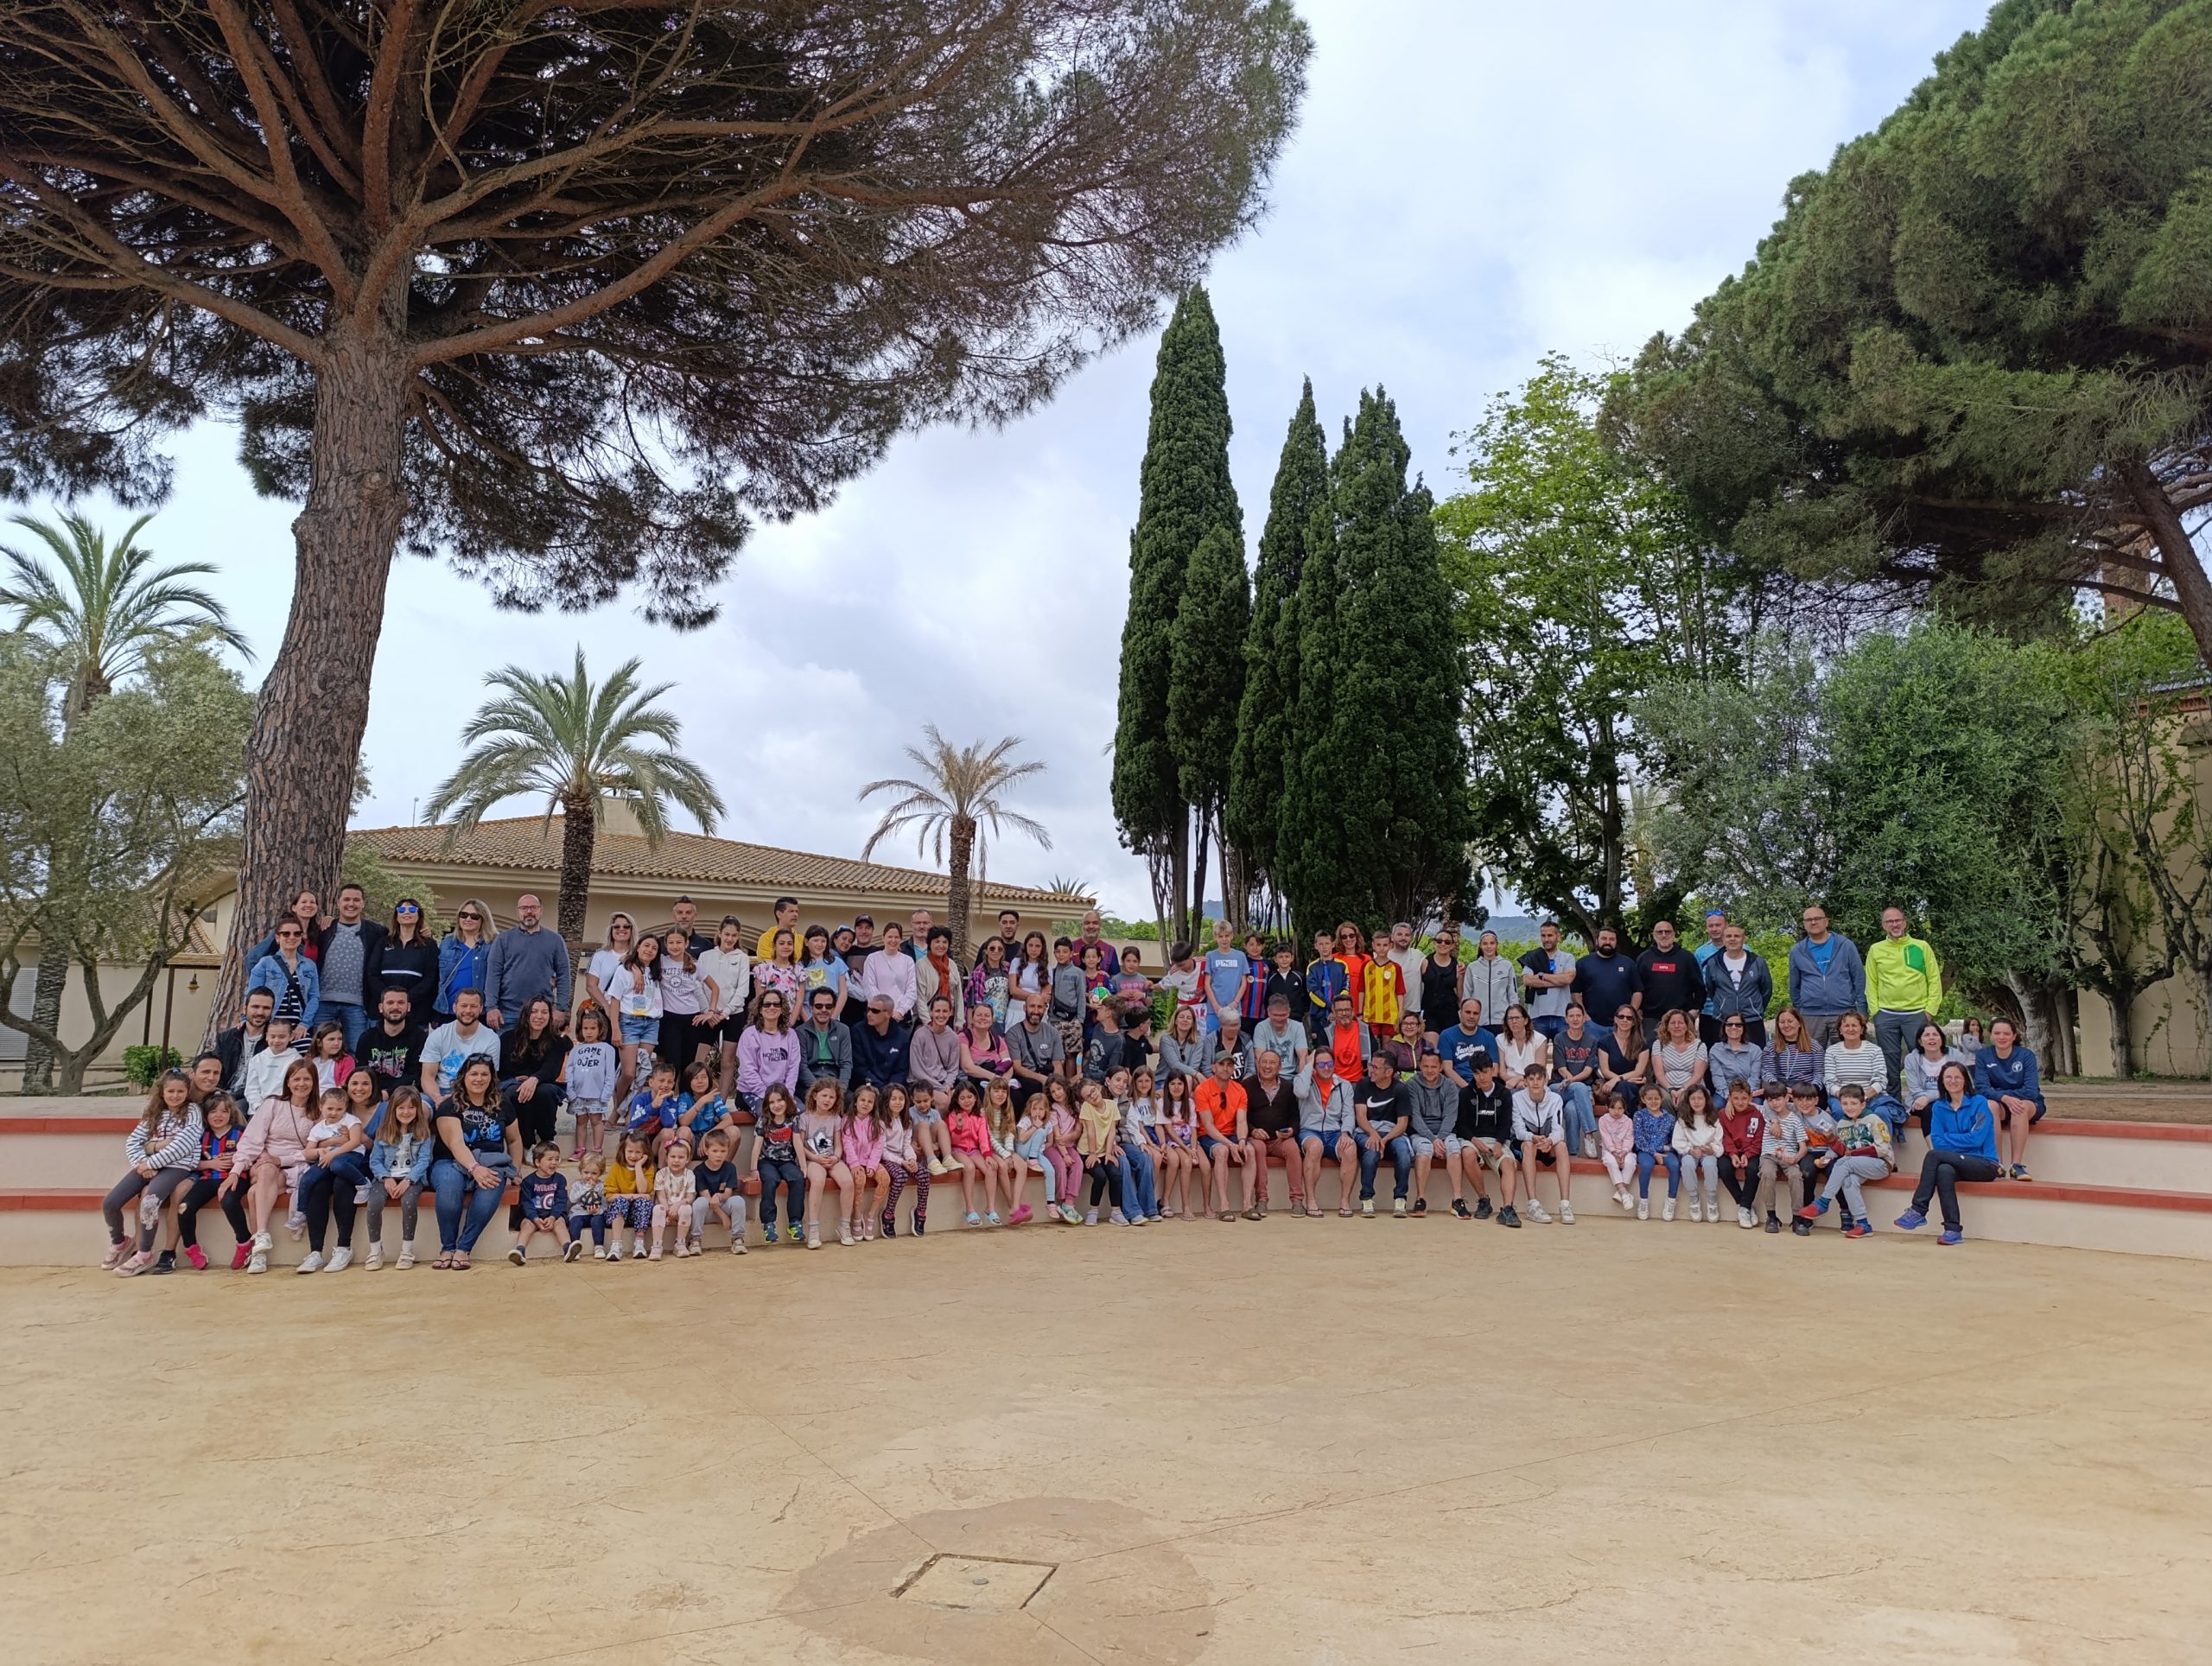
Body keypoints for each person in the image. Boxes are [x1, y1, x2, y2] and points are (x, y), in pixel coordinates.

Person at [101, 1071, 202, 1275]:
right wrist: (141, 1163)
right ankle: (119, 1242)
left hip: (178, 1166)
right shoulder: (155, 1112)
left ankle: (144, 1255)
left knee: (150, 1201)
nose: (175, 1096)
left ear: (187, 1092)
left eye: (180, 1091)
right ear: (162, 1092)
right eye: (171, 1091)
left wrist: (150, 1163)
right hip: (147, 1165)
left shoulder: (193, 1112)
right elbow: (134, 1141)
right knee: (110, 1202)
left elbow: (182, 1146)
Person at [429, 1055, 524, 1270]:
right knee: (449, 1185)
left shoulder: (503, 1104)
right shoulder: (450, 1105)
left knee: (491, 1185)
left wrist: (516, 1170)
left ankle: (464, 1248)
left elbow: (515, 1140)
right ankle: (447, 1248)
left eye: (484, 1074)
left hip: (492, 1162)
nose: (479, 1079)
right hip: (451, 1161)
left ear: (492, 1078)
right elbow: (455, 1143)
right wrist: (475, 1168)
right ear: (463, 1077)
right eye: (473, 1074)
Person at [228, 1057, 320, 1273]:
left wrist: (282, 1160)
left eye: (307, 1079)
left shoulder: (318, 1111)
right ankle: (262, 1234)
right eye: (296, 1079)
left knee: (254, 1194)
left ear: (314, 1082)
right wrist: (236, 1170)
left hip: (295, 1166)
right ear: (288, 1082)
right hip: (264, 1164)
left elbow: (315, 1151)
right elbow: (252, 1140)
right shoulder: (273, 1104)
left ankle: (258, 1253)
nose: (301, 1084)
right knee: (267, 1168)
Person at [1895, 1061, 1999, 1243]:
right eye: (1948, 1077)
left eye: (1958, 1077)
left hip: (1984, 1164)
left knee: (1933, 1155)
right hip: (1957, 1163)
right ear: (1942, 1081)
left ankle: (1918, 1209)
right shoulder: (1939, 1107)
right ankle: (1953, 1230)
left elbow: (1977, 1139)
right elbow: (1937, 1141)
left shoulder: (1979, 1103)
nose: (1953, 1081)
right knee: (1944, 1170)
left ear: (1965, 1080)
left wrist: (1949, 1139)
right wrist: (1961, 1141)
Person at [1796, 1082, 1892, 1237]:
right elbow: (1840, 1149)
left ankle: (1823, 1202)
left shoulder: (1874, 1119)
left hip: (1880, 1164)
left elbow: (1882, 1150)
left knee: (1843, 1162)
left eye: (1854, 1103)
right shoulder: (1842, 1124)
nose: (1849, 1107)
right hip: (1856, 1165)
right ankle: (1863, 1224)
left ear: (1863, 1104)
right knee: (1848, 1181)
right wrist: (1827, 1155)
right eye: (1845, 1104)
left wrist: (1852, 1154)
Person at [1866, 906, 1943, 1096]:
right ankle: (1893, 1106)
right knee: (1889, 1063)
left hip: (1917, 1014)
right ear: (1884, 925)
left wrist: (1929, 1011)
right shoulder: (1876, 949)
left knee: (1922, 1060)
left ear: (1905, 923)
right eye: (1890, 921)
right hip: (1886, 1015)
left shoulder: (1921, 946)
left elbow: (1934, 979)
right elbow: (1871, 982)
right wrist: (1876, 1011)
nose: (1895, 924)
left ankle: (1924, 1103)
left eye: (1898, 920)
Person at [291, 1085, 368, 1273]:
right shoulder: (319, 1127)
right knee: (313, 1183)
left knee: (341, 1183)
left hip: (349, 1161)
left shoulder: (351, 1121)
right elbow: (308, 1152)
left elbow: (355, 1141)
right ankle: (315, 1252)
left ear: (345, 1108)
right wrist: (323, 1150)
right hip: (328, 1160)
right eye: (330, 1108)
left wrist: (333, 1154)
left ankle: (343, 1248)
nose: (334, 1112)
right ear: (321, 1107)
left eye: (339, 1109)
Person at [171, 1092, 250, 1270]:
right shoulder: (201, 1136)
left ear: (231, 1113)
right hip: (208, 1178)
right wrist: (211, 1164)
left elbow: (252, 1155)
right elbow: (190, 1162)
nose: (218, 1115)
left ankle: (244, 1242)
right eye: (213, 1111)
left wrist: (236, 1160)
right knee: (184, 1207)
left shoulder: (240, 1132)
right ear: (206, 1115)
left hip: (235, 1178)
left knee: (228, 1201)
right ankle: (191, 1248)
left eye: (224, 1111)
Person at [308, 884, 387, 1052]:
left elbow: (401, 936)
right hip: (323, 1002)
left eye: (356, 900)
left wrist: (424, 932)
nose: (351, 904)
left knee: (357, 1050)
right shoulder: (325, 930)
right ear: (338, 902)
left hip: (357, 1005)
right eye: (346, 899)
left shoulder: (376, 932)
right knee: (319, 1051)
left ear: (363, 904)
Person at [364, 1086, 435, 1269]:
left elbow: (424, 1160)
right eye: (401, 1108)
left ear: (418, 1109)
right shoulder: (383, 1131)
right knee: (374, 1204)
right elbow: (375, 1161)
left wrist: (409, 1180)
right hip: (386, 1176)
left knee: (409, 1203)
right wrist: (386, 1178)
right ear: (393, 1109)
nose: (406, 1112)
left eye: (411, 1107)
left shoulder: (423, 1132)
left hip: (412, 1178)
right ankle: (375, 1251)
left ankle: (406, 1251)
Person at [482, 893, 572, 1031]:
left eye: (534, 907)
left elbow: (564, 976)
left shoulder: (555, 940)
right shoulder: (503, 940)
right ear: (518, 912)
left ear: (541, 910)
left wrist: (561, 1008)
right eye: (524, 908)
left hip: (541, 1013)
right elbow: (493, 975)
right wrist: (491, 1007)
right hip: (507, 1013)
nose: (529, 912)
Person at [1977, 1018, 2046, 1180]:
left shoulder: (2026, 1055)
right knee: (1989, 1105)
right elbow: (1981, 1089)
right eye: (1997, 1033)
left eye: (2006, 1034)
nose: (2002, 1037)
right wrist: (2004, 1098)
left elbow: (2031, 1091)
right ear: (1991, 1035)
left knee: (2020, 1107)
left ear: (2014, 1036)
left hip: (2028, 1103)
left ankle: (2016, 1165)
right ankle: (1997, 1164)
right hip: (2001, 1103)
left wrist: (2006, 1097)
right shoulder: (1982, 1055)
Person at [1787, 905, 1865, 1047]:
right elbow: (1794, 984)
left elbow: (1859, 979)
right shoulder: (1797, 951)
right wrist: (1800, 1010)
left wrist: (1862, 1009)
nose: (1813, 922)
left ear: (1826, 921)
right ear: (1804, 924)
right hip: (1811, 1015)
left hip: (1843, 1013)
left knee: (1847, 1055)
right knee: (1810, 1055)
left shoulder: (1845, 946)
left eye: (1817, 918)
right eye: (1809, 920)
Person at [499, 995, 569, 1154]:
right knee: (518, 1092)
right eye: (534, 1011)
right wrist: (517, 1079)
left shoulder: (557, 1041)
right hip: (514, 1082)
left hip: (543, 1082)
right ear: (526, 1014)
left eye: (544, 1012)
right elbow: (503, 1068)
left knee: (545, 1092)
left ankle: (547, 1141)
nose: (539, 1016)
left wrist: (534, 1079)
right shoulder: (509, 1038)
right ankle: (527, 1144)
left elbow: (551, 1069)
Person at [1351, 1052, 1413, 1220]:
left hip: (1393, 1133)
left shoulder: (1400, 1089)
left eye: (1375, 1067)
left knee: (1404, 1154)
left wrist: (1384, 1140)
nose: (1371, 1070)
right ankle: (1366, 1198)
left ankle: (1400, 1199)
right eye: (1371, 1066)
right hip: (1367, 1131)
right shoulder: (1363, 1085)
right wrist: (1374, 1134)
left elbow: (1402, 1123)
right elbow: (1360, 1117)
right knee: (1371, 1152)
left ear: (1389, 1072)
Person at [1194, 1049, 1255, 1221]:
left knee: (1250, 1151)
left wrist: (1241, 1140)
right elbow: (1208, 1126)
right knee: (1222, 1151)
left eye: (1229, 1065)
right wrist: (1230, 1145)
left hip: (1231, 1133)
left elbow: (1241, 1121)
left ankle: (1247, 1204)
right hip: (1208, 1136)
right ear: (1214, 1067)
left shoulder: (1239, 1090)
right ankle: (1224, 1205)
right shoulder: (1202, 1089)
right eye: (1221, 1064)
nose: (1225, 1068)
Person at [605, 932, 665, 1101]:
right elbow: (615, 1000)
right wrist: (615, 1029)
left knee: (641, 1073)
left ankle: (633, 1111)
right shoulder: (624, 970)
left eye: (654, 948)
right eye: (646, 945)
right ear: (638, 947)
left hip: (651, 1024)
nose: (649, 950)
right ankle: (618, 1109)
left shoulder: (656, 973)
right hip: (629, 1023)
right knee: (629, 1072)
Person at [1510, 1064, 1573, 1224]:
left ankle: (1565, 1205)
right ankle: (1533, 1205)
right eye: (1531, 1079)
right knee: (1528, 1145)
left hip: (1546, 1143)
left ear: (1546, 1080)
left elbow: (1558, 1130)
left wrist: (1549, 1141)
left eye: (1539, 1079)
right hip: (1526, 1144)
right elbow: (1519, 1130)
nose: (1535, 1083)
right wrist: (1533, 1138)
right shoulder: (1517, 1099)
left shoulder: (1555, 1099)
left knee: (1561, 1146)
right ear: (1525, 1081)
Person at [1242, 1047, 1301, 1218]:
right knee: (1257, 1149)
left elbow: (1295, 1116)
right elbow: (1241, 1116)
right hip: (1256, 1137)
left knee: (1293, 1149)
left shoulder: (1288, 1087)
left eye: (1272, 1063)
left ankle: (1297, 1200)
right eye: (1264, 1062)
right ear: (1258, 1064)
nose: (1267, 1066)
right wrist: (1253, 1130)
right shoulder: (1247, 1085)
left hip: (1280, 1139)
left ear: (1280, 1067)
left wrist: (1292, 1130)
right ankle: (1262, 1199)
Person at [1455, 1055, 1516, 1224]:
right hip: (1472, 1139)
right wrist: (1474, 1140)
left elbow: (1506, 1123)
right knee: (1467, 1153)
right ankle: (1483, 1200)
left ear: (1493, 1070)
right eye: (1477, 1073)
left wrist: (1499, 1144)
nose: (1481, 1077)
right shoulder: (1466, 1093)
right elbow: (1461, 1124)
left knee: (1508, 1163)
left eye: (1485, 1072)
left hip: (1497, 1140)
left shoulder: (1504, 1094)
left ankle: (1507, 1209)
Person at [696, 915, 752, 1093]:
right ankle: (697, 1098)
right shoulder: (705, 956)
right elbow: (699, 986)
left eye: (734, 935)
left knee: (727, 1062)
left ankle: (721, 1101)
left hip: (733, 1015)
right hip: (709, 1015)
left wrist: (725, 1012)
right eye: (727, 934)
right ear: (719, 933)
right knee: (699, 1060)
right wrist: (709, 1011)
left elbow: (742, 990)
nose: (730, 939)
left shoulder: (742, 958)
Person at [796, 1078, 853, 1248]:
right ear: (815, 1096)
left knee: (848, 1182)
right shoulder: (804, 1118)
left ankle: (844, 1226)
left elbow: (838, 1144)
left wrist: (835, 1157)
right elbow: (799, 1144)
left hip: (831, 1158)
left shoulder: (836, 1119)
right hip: (812, 1159)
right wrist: (815, 1158)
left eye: (832, 1097)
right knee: (818, 1180)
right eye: (824, 1095)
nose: (827, 1100)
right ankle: (813, 1229)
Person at [420, 988, 500, 1099]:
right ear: (454, 1008)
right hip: (439, 1091)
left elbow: (488, 1080)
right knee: (420, 1107)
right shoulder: (439, 1034)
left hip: (473, 1093)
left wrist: (456, 1100)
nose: (468, 1010)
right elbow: (427, 1077)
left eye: (473, 1006)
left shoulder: (491, 1039)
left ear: (481, 1009)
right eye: (464, 1006)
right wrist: (438, 1098)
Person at [749, 1085, 804, 1245]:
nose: (776, 1105)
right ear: (767, 1105)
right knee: (770, 1181)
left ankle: (795, 1223)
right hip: (767, 1162)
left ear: (787, 1100)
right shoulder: (764, 1120)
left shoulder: (793, 1119)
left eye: (780, 1100)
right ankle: (769, 1224)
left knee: (798, 1179)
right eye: (772, 1102)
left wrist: (803, 1166)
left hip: (787, 1161)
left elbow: (797, 1142)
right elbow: (757, 1145)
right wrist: (753, 1168)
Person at [1701, 924, 1772, 1046]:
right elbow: (1711, 989)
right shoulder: (1713, 963)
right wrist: (1723, 1004)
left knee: (1755, 1056)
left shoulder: (1758, 962)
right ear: (1724, 939)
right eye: (1729, 936)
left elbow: (1766, 990)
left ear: (1744, 939)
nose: (1732, 939)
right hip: (1723, 1020)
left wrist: (1754, 1007)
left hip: (1752, 1020)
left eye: (1737, 936)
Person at [246, 915, 321, 1030]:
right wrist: (245, 1020)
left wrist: (305, 1024)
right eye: (286, 934)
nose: (292, 937)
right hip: (269, 1027)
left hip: (298, 1029)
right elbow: (252, 995)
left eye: (297, 934)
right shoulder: (265, 963)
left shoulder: (310, 966)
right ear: (278, 938)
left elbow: (314, 997)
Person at [351, 987, 426, 1100]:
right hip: (370, 1095)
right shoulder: (367, 1037)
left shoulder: (419, 1037)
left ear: (408, 1007)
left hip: (406, 1095)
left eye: (401, 1003)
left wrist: (388, 1093)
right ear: (381, 1007)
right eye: (390, 1003)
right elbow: (361, 1073)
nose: (395, 1007)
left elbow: (416, 1076)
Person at [371, 897, 438, 1022]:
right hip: (384, 1012)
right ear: (396, 916)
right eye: (401, 910)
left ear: (419, 915)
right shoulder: (383, 942)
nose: (406, 912)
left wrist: (405, 1000)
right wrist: (388, 999)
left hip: (416, 1012)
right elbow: (372, 974)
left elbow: (430, 978)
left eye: (412, 910)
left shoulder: (429, 945)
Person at [1548, 1002, 1604, 1154]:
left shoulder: (1591, 1040)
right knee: (1579, 1087)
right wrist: (1584, 1090)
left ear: (1584, 1018)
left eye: (1578, 1015)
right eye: (1571, 1016)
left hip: (1578, 1089)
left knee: (1572, 1109)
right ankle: (1589, 1135)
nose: (1575, 1019)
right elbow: (1562, 1069)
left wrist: (1577, 1085)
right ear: (1566, 1019)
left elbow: (1588, 1071)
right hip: (1558, 1087)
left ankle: (1573, 1154)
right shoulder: (1559, 1038)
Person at [840, 1085, 893, 1240]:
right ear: (856, 1101)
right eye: (862, 1100)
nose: (865, 1104)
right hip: (853, 1162)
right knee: (859, 1179)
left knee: (885, 1178)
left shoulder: (878, 1124)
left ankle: (870, 1215)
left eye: (870, 1102)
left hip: (870, 1161)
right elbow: (847, 1144)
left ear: (874, 1105)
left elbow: (878, 1147)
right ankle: (856, 1215)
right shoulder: (847, 1121)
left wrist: (872, 1165)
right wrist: (854, 1164)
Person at [565, 1006, 619, 1160]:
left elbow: (610, 1073)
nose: (588, 1032)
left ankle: (597, 1149)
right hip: (578, 1094)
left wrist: (606, 1093)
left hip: (597, 1094)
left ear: (600, 1029)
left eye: (593, 1028)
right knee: (580, 1121)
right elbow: (569, 1071)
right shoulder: (576, 1050)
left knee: (596, 1121)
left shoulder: (607, 1049)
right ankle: (580, 1149)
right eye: (585, 1028)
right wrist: (570, 1091)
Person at [655, 929, 709, 1078]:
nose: (675, 946)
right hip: (669, 1017)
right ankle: (670, 1092)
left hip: (692, 1018)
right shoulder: (661, 961)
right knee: (673, 1063)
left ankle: (686, 1092)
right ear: (666, 944)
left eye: (679, 942)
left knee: (688, 1063)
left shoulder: (695, 966)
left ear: (686, 943)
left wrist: (710, 1012)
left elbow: (715, 988)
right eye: (671, 943)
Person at [879, 1084, 931, 1238]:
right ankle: (888, 1213)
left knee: (923, 1174)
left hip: (903, 1158)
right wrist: (901, 1162)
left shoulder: (906, 1120)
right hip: (886, 1159)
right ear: (886, 1101)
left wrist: (911, 1159)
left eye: (901, 1099)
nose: (898, 1102)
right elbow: (882, 1151)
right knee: (901, 1176)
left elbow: (906, 1145)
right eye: (894, 1099)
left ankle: (921, 1211)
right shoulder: (881, 1121)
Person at [510, 1143, 575, 1264]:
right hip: (533, 1216)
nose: (554, 1162)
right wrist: (535, 1218)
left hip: (553, 1215)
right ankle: (520, 1250)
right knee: (527, 1225)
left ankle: (568, 1248)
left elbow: (561, 1201)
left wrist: (553, 1217)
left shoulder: (560, 1180)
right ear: (538, 1162)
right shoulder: (528, 1181)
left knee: (560, 1223)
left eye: (557, 1159)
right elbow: (526, 1203)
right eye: (550, 1159)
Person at [1632, 919, 1702, 1031]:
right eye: (1660, 932)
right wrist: (1638, 1010)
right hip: (1650, 1019)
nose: (1664, 935)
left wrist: (1695, 1009)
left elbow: (1699, 987)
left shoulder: (1687, 958)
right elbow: (1636, 988)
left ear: (1674, 934)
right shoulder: (1644, 958)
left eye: (1668, 932)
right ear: (1654, 935)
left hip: (1682, 1017)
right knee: (1651, 1043)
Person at [1716, 1078, 1768, 1229]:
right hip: (1730, 1151)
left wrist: (1747, 1155)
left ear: (1750, 1098)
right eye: (1736, 1098)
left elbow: (1758, 1140)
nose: (1740, 1102)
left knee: (1753, 1169)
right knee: (1724, 1168)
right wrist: (1732, 1154)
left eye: (1744, 1098)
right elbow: (1724, 1137)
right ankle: (1745, 1206)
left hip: (1751, 1152)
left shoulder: (1757, 1115)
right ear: (1730, 1098)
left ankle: (1744, 1207)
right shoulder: (1723, 1114)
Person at [434, 899, 496, 1024]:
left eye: (474, 916)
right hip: (447, 1009)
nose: (468, 919)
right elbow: (436, 977)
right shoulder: (447, 943)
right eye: (464, 915)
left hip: (479, 1011)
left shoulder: (494, 944)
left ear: (483, 920)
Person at [1756, 1084, 1807, 1235]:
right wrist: (1775, 1122)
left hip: (1789, 1156)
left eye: (1778, 1099)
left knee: (1796, 1176)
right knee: (1767, 1174)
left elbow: (1803, 1147)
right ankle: (1771, 1216)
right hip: (1769, 1156)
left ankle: (1797, 1217)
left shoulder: (1795, 1120)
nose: (1775, 1103)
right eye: (1771, 1100)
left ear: (1786, 1098)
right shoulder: (1766, 1114)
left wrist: (1796, 1158)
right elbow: (1755, 1104)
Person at [601, 1129, 658, 1260]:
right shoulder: (617, 1168)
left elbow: (644, 1191)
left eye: (638, 1152)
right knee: (621, 1201)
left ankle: (639, 1243)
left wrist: (638, 1167)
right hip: (617, 1215)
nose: (633, 1156)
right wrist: (634, 1196)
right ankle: (616, 1245)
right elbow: (610, 1196)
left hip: (637, 1215)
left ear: (645, 1153)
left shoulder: (648, 1168)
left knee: (643, 1203)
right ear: (623, 1150)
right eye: (630, 1151)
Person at [1672, 1086, 1725, 1224]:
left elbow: (1718, 1141)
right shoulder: (1683, 1119)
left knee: (1710, 1164)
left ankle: (1712, 1199)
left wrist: (1712, 1150)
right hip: (1690, 1151)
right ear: (1688, 1101)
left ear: (1706, 1100)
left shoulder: (1714, 1118)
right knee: (1687, 1164)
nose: (1697, 1102)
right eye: (1693, 1099)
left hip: (1708, 1151)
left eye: (1700, 1098)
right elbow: (1677, 1141)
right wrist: (1689, 1150)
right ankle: (1694, 1199)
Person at [1572, 925, 1642, 1027]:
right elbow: (1575, 992)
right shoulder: (1583, 963)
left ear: (1616, 942)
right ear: (1597, 941)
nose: (1608, 942)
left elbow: (1637, 991)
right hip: (1592, 1024)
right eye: (1604, 939)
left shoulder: (1628, 963)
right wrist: (1584, 1015)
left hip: (1622, 1024)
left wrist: (1630, 1014)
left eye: (1612, 939)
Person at [1076, 1078, 1123, 1224]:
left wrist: (1108, 1153)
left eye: (1093, 1091)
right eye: (1088, 1096)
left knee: (1115, 1175)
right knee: (1100, 1177)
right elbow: (1091, 1131)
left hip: (1103, 1151)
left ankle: (1116, 1212)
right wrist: (1092, 1154)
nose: (1092, 1096)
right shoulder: (1087, 1107)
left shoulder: (1112, 1105)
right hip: (1087, 1151)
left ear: (1098, 1087)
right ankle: (1093, 1211)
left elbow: (1112, 1131)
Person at [213, 989, 276, 1098]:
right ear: (245, 1009)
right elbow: (215, 1070)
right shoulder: (226, 1039)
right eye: (255, 1007)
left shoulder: (276, 1043)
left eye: (266, 1008)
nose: (260, 1012)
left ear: (272, 1011)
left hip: (254, 1098)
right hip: (221, 1095)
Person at [1005, 989, 1064, 1107]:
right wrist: (1042, 1079)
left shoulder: (1053, 1032)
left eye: (1040, 1007)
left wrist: (1056, 1082)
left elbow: (1057, 1063)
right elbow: (1017, 1067)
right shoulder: (1013, 1033)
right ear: (1025, 1008)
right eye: (1032, 1006)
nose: (1036, 1011)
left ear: (1045, 1010)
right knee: (1033, 1086)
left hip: (1048, 1075)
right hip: (1027, 1078)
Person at [1517, 921, 1574, 1040]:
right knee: (1537, 1051)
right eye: (1543, 936)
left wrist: (1542, 975)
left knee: (1563, 1050)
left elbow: (1568, 978)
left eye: (1550, 935)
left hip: (1562, 1015)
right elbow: (1528, 980)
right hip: (1538, 1016)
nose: (1546, 939)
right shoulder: (1532, 957)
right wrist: (1558, 981)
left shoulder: (1568, 958)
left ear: (1558, 937)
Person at [1632, 1082, 1681, 1221]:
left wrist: (1666, 1149)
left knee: (1675, 1166)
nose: (1653, 1102)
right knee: (1646, 1166)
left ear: (1661, 1099)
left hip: (1665, 1150)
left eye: (1656, 1098)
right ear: (1643, 1099)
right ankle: (1643, 1201)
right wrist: (1654, 1153)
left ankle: (1671, 1200)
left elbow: (1675, 1139)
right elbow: (1639, 1139)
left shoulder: (1669, 1118)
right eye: (1649, 1099)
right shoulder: (1639, 1116)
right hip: (1645, 1151)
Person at [585, 912, 638, 1032]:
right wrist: (607, 1007)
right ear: (611, 930)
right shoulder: (600, 955)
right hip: (606, 1012)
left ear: (632, 930)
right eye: (616, 926)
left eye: (626, 926)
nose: (621, 929)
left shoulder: (638, 956)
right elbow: (591, 986)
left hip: (632, 1013)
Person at [1822, 1010, 1888, 1107]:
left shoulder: (1875, 1050)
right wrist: (1847, 1100)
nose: (1851, 1029)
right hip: (1841, 1098)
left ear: (1862, 1029)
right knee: (1839, 1111)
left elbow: (1881, 1080)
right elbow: (1829, 1081)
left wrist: (1863, 1099)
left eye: (1854, 1025)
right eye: (1846, 1026)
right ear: (1840, 1030)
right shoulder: (1831, 1051)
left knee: (1882, 1112)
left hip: (1872, 1097)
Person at [648, 1135, 697, 1259]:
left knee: (687, 1209)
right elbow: (661, 1196)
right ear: (666, 1158)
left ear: (687, 1159)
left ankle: (680, 1244)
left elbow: (690, 1197)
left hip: (680, 1207)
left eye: (681, 1157)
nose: (676, 1160)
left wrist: (677, 1205)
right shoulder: (661, 1174)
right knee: (657, 1209)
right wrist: (669, 1211)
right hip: (665, 1206)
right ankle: (657, 1246)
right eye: (673, 1157)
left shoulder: (690, 1175)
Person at [797, 988, 853, 1092]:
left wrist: (841, 1090)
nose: (823, 1010)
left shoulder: (843, 1030)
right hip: (809, 1085)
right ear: (811, 1008)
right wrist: (819, 1090)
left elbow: (846, 1064)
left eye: (828, 1006)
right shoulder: (800, 1032)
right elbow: (802, 1067)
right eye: (819, 1006)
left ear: (833, 1008)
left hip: (835, 1083)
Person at [1759, 1008, 1821, 1099]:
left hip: (1807, 1091)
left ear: (1799, 1023)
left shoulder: (1814, 1046)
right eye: (1782, 1022)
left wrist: (1810, 1090)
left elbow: (1819, 1073)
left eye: (1790, 1021)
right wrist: (1781, 1089)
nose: (1786, 1025)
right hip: (1780, 1091)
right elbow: (1768, 1072)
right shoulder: (1771, 1046)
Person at [1461, 931, 1516, 1034]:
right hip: (1479, 1021)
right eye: (1485, 943)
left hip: (1502, 1022)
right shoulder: (1472, 967)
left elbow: (1512, 995)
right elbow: (1467, 995)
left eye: (1492, 943)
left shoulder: (1507, 966)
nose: (1489, 947)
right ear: (1480, 946)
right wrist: (1465, 1018)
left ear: (1497, 945)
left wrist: (1513, 1017)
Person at [861, 921, 918, 1022]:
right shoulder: (872, 959)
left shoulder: (908, 961)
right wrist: (883, 1010)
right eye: (890, 937)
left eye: (896, 937)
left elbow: (911, 990)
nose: (893, 940)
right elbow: (870, 987)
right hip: (878, 1015)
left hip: (901, 1017)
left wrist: (900, 1011)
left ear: (901, 939)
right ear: (883, 938)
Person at [1650, 1008, 1707, 1109]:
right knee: (1665, 1099)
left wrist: (1683, 1089)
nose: (1677, 1026)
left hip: (1692, 1087)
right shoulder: (1658, 1044)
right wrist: (1670, 1089)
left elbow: (1698, 1074)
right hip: (1665, 1087)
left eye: (1681, 1023)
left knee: (1685, 1098)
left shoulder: (1699, 1045)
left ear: (1687, 1026)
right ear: (1667, 1027)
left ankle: (1684, 1119)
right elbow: (1659, 1074)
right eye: (1673, 1023)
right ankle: (1669, 1119)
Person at [1707, 1012, 1764, 1104]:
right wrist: (1729, 1097)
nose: (1733, 1027)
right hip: (1725, 1092)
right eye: (1729, 1024)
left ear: (1743, 1028)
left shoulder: (1755, 1050)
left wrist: (1744, 1096)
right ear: (1724, 1027)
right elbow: (1718, 1078)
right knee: (1716, 1106)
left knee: (1757, 1105)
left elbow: (1755, 1078)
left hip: (1749, 1092)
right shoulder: (1715, 1050)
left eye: (1738, 1025)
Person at [1363, 927, 1408, 1044]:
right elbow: (1362, 990)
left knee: (1388, 1043)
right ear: (1373, 945)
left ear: (1390, 946)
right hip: (1371, 1013)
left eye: (1385, 945)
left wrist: (1401, 1012)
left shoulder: (1395, 967)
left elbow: (1400, 991)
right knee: (1372, 1043)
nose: (1382, 948)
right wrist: (1359, 1012)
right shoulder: (1367, 966)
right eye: (1378, 945)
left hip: (1390, 1014)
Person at [957, 998, 1012, 1093]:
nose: (983, 1018)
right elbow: (967, 1067)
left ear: (992, 1020)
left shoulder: (998, 1040)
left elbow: (1008, 1064)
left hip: (998, 1081)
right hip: (975, 1081)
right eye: (979, 1015)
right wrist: (995, 1078)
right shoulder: (964, 1037)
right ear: (972, 1019)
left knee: (1017, 1094)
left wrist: (1004, 1081)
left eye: (987, 1016)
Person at [1250, 990, 1311, 1076]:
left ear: (1289, 1012)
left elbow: (1303, 1057)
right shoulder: (1261, 1027)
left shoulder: (1298, 1027)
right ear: (1268, 1012)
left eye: (1282, 1015)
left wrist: (1302, 1080)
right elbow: (1259, 1058)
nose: (1279, 1019)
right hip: (1268, 1076)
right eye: (1275, 1015)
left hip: (1291, 1076)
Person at [1596, 1088, 1637, 1210]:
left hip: (1625, 1150)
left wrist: (1624, 1152)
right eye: (1613, 1108)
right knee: (1611, 1162)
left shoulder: (1628, 1121)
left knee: (1630, 1163)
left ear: (1624, 1109)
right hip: (1609, 1150)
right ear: (1607, 1107)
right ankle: (1624, 1193)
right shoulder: (1603, 1120)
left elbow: (1629, 1138)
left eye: (1620, 1108)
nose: (1616, 1112)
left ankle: (1620, 1192)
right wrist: (1614, 1152)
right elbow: (1606, 1138)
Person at [1418, 925, 1463, 1036]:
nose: (1443, 944)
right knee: (1431, 1045)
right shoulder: (1424, 963)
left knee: (1449, 1045)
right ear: (1435, 943)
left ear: (1452, 946)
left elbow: (1460, 995)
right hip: (1429, 1012)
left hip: (1450, 1013)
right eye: (1439, 941)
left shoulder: (1458, 967)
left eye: (1447, 942)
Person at [915, 925, 963, 1025]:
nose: (941, 945)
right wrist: (928, 1022)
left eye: (945, 942)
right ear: (930, 943)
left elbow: (958, 993)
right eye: (937, 941)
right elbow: (920, 998)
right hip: (930, 1017)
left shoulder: (952, 964)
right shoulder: (922, 965)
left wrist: (959, 1020)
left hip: (950, 1017)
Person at [964, 934, 1014, 1029]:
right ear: (986, 951)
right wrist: (970, 1023)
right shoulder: (978, 973)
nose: (996, 951)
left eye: (1000, 949)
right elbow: (971, 1002)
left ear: (1003, 953)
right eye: (992, 948)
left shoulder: (1008, 970)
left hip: (1003, 1021)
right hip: (983, 1020)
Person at [1693, 911, 1729, 1042]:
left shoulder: (1744, 949)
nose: (1714, 929)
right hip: (1708, 1012)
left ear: (1726, 925)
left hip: (1735, 1011)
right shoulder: (1700, 952)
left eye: (1718, 925)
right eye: (1711, 926)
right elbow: (1697, 983)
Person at [568, 1151, 610, 1258]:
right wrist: (587, 1188)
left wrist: (598, 1211)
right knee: (575, 1223)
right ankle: (574, 1246)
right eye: (586, 1172)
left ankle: (599, 1246)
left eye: (594, 1173)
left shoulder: (601, 1186)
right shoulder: (577, 1184)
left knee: (598, 1221)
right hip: (578, 1213)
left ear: (600, 1173)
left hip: (594, 1214)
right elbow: (572, 1199)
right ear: (581, 1171)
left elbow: (605, 1205)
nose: (589, 1176)